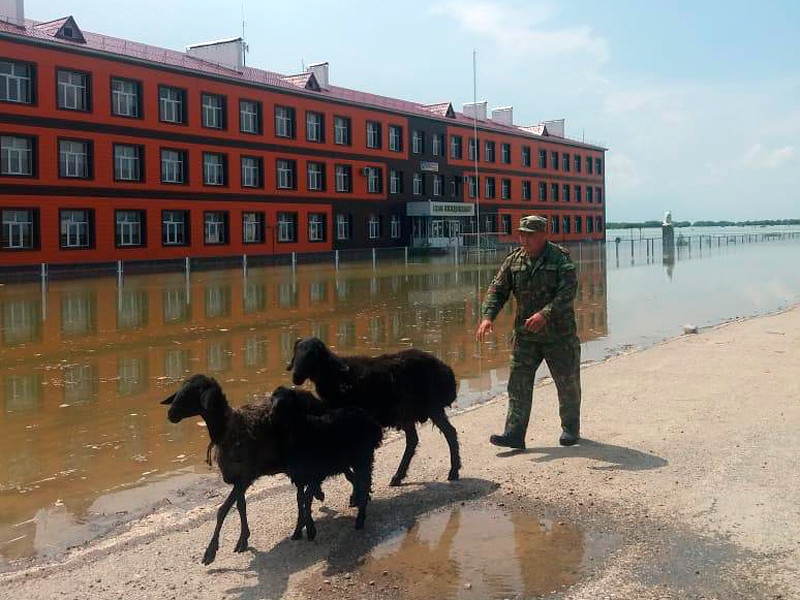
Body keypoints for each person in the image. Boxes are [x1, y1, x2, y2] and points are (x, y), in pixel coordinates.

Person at [475, 215, 582, 449]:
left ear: (543, 234)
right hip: (526, 336)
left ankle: (570, 429)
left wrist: (545, 314)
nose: (524, 239)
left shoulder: (560, 258)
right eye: (522, 234)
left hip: (559, 335)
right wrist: (487, 317)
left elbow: (568, 292)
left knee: (567, 383)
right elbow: (497, 289)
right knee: (518, 383)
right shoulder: (514, 260)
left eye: (530, 234)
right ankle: (514, 433)